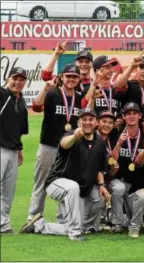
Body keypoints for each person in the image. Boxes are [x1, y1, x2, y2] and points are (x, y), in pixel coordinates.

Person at [20, 108, 110, 241]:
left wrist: (102, 185)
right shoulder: (71, 134)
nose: (87, 122)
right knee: (72, 188)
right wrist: (75, 136)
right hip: (56, 183)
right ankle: (75, 234)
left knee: (72, 223)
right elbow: (64, 144)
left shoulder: (100, 143)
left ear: (96, 122)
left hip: (77, 190)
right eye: (84, 119)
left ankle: (38, 226)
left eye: (91, 119)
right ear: (79, 122)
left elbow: (99, 168)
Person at [27, 64, 82, 223]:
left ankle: (62, 219)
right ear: (62, 77)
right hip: (49, 145)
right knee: (41, 181)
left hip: (68, 149)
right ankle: (34, 217)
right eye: (68, 76)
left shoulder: (79, 98)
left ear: (78, 79)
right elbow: (37, 107)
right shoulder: (52, 93)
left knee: (65, 183)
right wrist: (45, 89)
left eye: (74, 77)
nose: (71, 79)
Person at [0, 67, 29, 234]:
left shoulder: (21, 100)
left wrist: (19, 148)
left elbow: (19, 129)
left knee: (8, 190)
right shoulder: (2, 95)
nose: (18, 82)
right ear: (8, 78)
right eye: (14, 78)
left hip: (12, 150)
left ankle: (3, 224)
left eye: (21, 79)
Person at [113, 102, 144, 234]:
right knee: (118, 188)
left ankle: (133, 221)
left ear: (140, 116)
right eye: (128, 114)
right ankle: (116, 223)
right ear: (123, 117)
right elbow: (112, 160)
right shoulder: (116, 135)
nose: (131, 116)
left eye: (134, 113)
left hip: (138, 182)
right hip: (121, 179)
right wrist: (119, 144)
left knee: (143, 196)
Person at [95, 110, 122, 232]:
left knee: (119, 187)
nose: (107, 125)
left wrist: (113, 170)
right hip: (93, 180)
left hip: (106, 178)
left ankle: (116, 222)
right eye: (104, 121)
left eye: (110, 122)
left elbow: (112, 163)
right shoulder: (91, 137)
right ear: (97, 123)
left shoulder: (113, 139)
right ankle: (99, 220)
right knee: (98, 193)